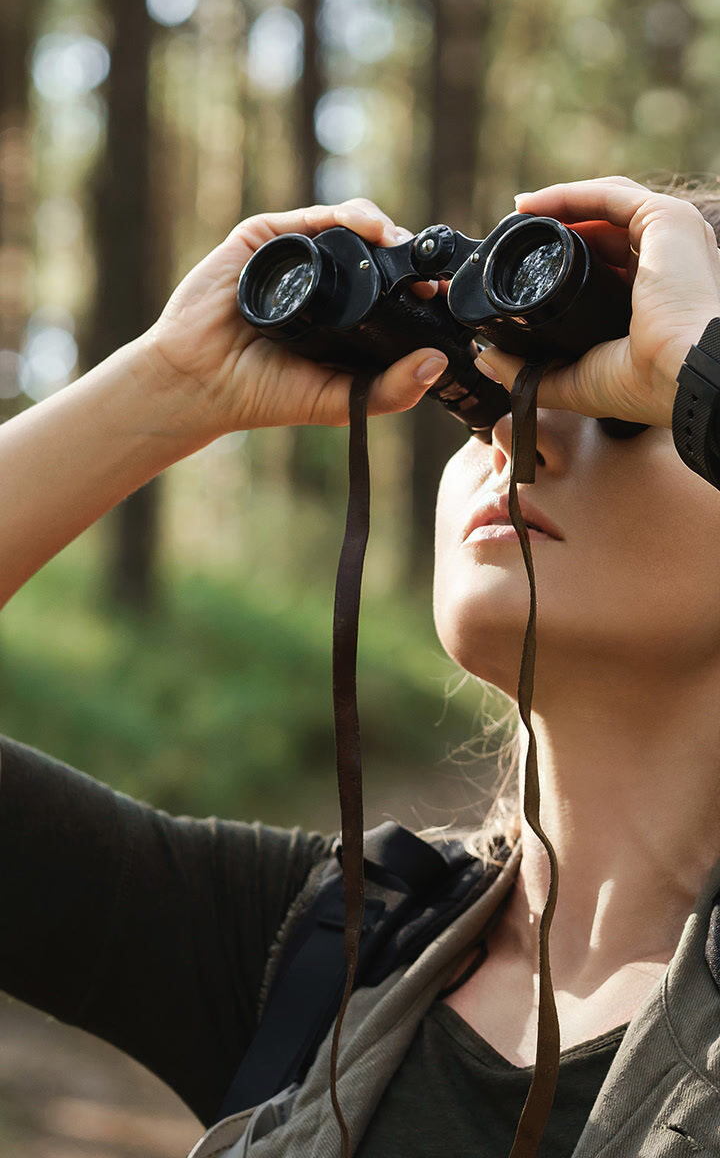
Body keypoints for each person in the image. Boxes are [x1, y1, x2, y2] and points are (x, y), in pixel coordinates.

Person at [1, 174, 720, 1158]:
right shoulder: (328, 952)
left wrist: (700, 361)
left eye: (627, 402)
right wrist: (166, 388)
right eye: (489, 393)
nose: (514, 431)